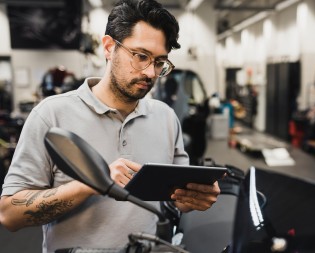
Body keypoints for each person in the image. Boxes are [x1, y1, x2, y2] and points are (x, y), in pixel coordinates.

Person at [0, 0, 221, 252]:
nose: (150, 72)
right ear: (108, 47)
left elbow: (177, 198)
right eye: (141, 56)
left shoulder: (166, 118)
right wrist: (92, 183)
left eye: (159, 62)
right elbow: (9, 215)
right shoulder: (51, 114)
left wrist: (195, 197)